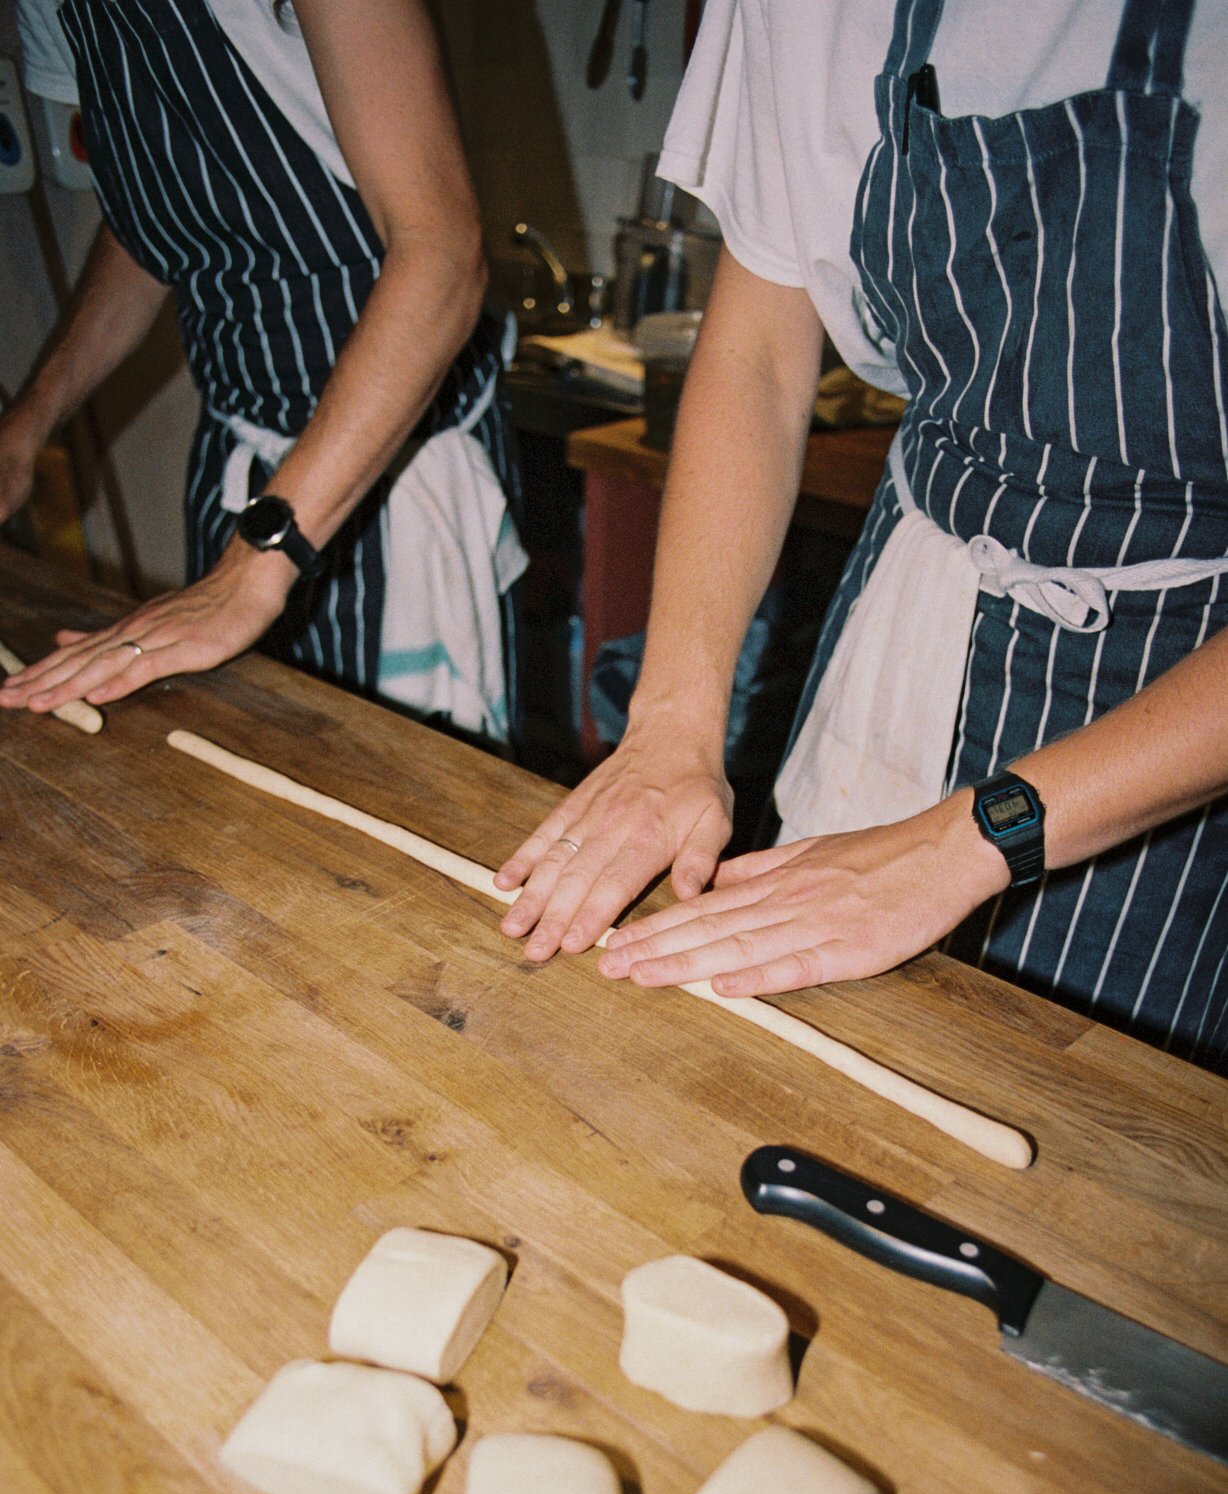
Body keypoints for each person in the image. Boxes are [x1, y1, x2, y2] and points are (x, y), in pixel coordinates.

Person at [493, 0, 1228, 1073]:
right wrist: (671, 726)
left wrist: (970, 840)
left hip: (1171, 698)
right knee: (776, 1072)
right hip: (907, 619)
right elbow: (757, 357)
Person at [0, 0, 524, 745]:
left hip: (387, 485)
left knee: (383, 788)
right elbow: (158, 215)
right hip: (239, 473)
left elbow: (440, 251)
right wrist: (27, 427)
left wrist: (255, 570)